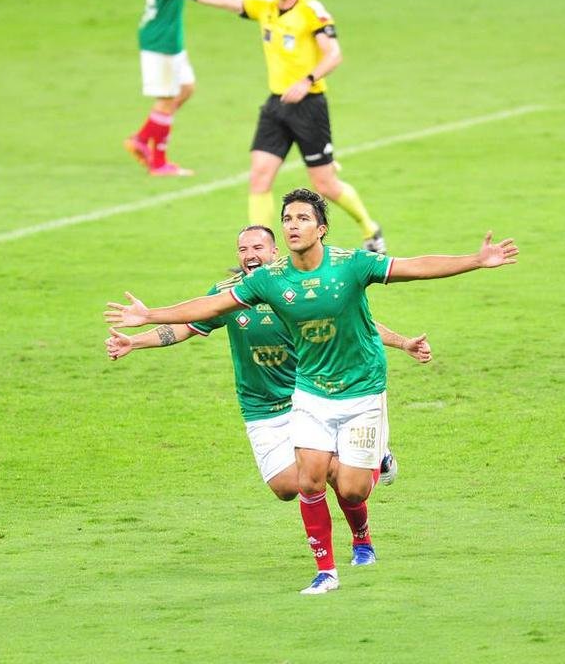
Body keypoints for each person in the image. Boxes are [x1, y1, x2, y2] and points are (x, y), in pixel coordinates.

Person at [105, 188, 518, 593]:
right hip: (309, 394)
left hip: (360, 390)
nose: (293, 225)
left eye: (302, 218)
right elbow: (207, 309)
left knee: (354, 488)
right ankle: (326, 573)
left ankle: (371, 485)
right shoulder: (267, 283)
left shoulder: (350, 265)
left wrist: (476, 261)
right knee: (304, 483)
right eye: (287, 219)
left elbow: (412, 267)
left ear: (321, 228)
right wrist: (148, 317)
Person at [105, 225, 432, 566]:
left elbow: (359, 325)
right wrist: (136, 342)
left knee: (333, 478)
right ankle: (367, 457)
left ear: (274, 252)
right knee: (286, 487)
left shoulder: (286, 288)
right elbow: (186, 325)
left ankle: (361, 538)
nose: (250, 255)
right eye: (243, 250)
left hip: (307, 399)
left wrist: (403, 342)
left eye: (258, 247)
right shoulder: (228, 295)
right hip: (261, 407)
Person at [148, 0, 386, 252]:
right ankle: (261, 255)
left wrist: (307, 80)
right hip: (276, 105)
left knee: (325, 184)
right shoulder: (266, 8)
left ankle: (370, 229)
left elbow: (333, 54)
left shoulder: (311, 11)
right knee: (259, 175)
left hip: (309, 106)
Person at [127, 0, 228, 177]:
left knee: (186, 88)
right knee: (167, 98)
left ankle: (142, 138)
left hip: (168, 34)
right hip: (161, 37)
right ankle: (158, 162)